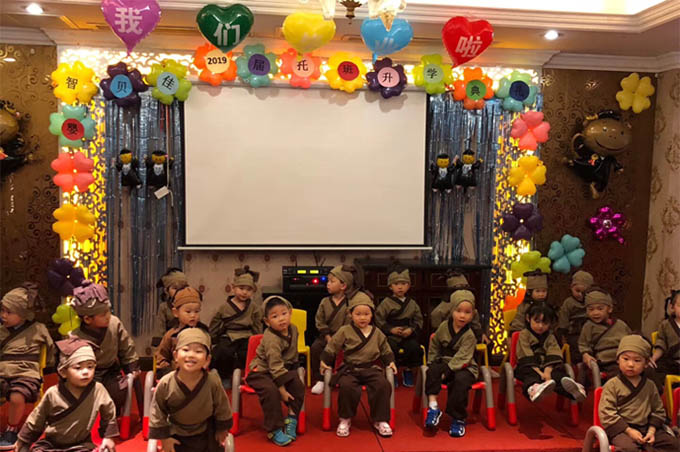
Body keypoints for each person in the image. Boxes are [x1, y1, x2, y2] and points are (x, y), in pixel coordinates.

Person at [15, 338, 118, 452]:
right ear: (63, 372)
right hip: (52, 444)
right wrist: (23, 440)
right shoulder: (53, 393)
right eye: (78, 368)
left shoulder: (98, 389)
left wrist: (108, 438)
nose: (85, 372)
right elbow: (37, 418)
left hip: (81, 445)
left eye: (90, 366)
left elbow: (109, 414)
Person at [321, 291, 396, 438]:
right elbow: (332, 347)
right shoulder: (344, 331)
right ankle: (345, 418)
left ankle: (380, 420)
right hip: (350, 369)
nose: (362, 317)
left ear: (372, 315)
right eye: (358, 314)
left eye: (366, 314)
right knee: (347, 386)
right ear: (350, 314)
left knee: (382, 385)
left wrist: (390, 362)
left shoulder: (377, 332)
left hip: (371, 369)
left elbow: (385, 349)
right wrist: (324, 361)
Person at [149, 328, 232, 452]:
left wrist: (222, 429)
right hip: (176, 434)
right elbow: (158, 411)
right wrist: (165, 438)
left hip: (206, 433)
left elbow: (222, 406)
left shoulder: (213, 382)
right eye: (186, 350)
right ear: (175, 356)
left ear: (207, 360)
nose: (191, 355)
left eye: (198, 351)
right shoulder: (166, 383)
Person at [599, 335, 679, 452]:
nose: (631, 364)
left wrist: (651, 431)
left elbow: (658, 410)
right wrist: (629, 431)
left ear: (646, 363)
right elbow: (607, 412)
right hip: (622, 430)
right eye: (625, 359)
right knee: (629, 448)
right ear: (618, 360)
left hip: (647, 428)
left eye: (637, 360)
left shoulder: (650, 385)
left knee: (674, 445)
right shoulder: (612, 385)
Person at [70, 280, 140, 414]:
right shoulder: (76, 335)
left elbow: (126, 346)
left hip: (110, 371)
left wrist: (131, 366)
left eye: (108, 311)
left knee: (119, 392)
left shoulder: (114, 324)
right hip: (87, 374)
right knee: (83, 394)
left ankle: (112, 414)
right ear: (88, 319)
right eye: (103, 315)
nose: (108, 316)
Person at [0, 283, 55, 449]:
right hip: (3, 370)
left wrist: (48, 365)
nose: (3, 315)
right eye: (2, 310)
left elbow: (49, 348)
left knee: (17, 396)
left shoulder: (38, 329)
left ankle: (11, 429)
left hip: (26, 372)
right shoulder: (1, 330)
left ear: (23, 314)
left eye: (9, 312)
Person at [246, 296, 305, 447]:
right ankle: (274, 429)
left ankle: (291, 418)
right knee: (271, 391)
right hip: (261, 371)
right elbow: (274, 365)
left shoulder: (293, 329)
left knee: (298, 385)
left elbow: (292, 355)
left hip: (281, 369)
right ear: (267, 321)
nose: (281, 319)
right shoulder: (271, 338)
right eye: (275, 316)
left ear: (290, 313)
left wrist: (293, 372)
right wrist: (282, 390)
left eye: (284, 313)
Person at [423, 290, 478, 437]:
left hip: (464, 366)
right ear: (452, 310)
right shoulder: (443, 327)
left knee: (460, 380)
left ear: (472, 314)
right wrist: (433, 361)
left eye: (467, 312)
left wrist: (446, 371)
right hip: (445, 362)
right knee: (432, 370)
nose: (462, 315)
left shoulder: (469, 335)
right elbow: (434, 344)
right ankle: (433, 407)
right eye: (458, 311)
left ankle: (458, 418)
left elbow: (463, 357)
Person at [514, 303, 586, 404]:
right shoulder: (524, 334)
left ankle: (573, 390)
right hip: (529, 366)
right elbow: (525, 353)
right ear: (528, 318)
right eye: (537, 321)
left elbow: (554, 352)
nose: (540, 326)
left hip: (546, 365)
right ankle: (533, 389)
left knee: (558, 375)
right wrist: (540, 373)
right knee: (530, 376)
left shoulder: (550, 337)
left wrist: (547, 371)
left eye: (545, 323)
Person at [209, 266, 263, 387]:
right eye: (241, 288)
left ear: (253, 291)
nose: (244, 292)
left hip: (247, 335)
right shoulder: (224, 307)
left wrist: (258, 339)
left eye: (249, 289)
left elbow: (257, 324)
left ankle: (246, 376)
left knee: (247, 353)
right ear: (233, 288)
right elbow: (215, 322)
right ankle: (225, 376)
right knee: (223, 351)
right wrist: (212, 337)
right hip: (229, 334)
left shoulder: (254, 307)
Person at [374, 266, 423, 387]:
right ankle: (392, 372)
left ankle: (408, 371)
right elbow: (379, 319)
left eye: (403, 284)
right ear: (390, 286)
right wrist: (390, 329)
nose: (400, 287)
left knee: (414, 347)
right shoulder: (386, 303)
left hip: (407, 334)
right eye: (396, 284)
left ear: (408, 286)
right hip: (391, 335)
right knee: (390, 348)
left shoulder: (412, 303)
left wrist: (411, 330)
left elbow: (418, 319)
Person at [310, 265, 352, 395]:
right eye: (328, 281)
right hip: (326, 336)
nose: (328, 284)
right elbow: (319, 320)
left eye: (332, 281)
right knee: (316, 348)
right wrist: (327, 336)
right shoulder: (324, 302)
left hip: (344, 336)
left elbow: (349, 323)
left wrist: (338, 338)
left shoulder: (350, 303)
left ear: (343, 285)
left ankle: (341, 377)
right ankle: (320, 379)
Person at [155, 286, 209, 379]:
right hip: (175, 375)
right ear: (176, 312)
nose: (193, 315)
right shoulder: (171, 335)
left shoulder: (204, 333)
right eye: (188, 312)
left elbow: (208, 354)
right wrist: (166, 369)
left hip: (198, 374)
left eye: (196, 311)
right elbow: (161, 355)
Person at [579, 287, 632, 377]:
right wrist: (586, 355)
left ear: (609, 309)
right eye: (591, 309)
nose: (595, 313)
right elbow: (583, 344)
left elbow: (632, 340)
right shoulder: (588, 326)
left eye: (600, 309)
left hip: (623, 358)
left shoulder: (621, 325)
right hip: (603, 360)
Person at [430, 271, 488, 343]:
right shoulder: (446, 306)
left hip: (466, 336)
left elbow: (475, 322)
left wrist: (480, 334)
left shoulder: (469, 304)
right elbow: (435, 316)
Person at [557, 270, 595, 364]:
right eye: (577, 291)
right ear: (571, 288)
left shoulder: (592, 301)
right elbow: (563, 319)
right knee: (575, 347)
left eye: (584, 292)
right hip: (574, 333)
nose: (580, 295)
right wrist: (563, 333)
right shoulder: (569, 303)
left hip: (591, 331)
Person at [649, 289, 680, 391]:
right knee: (651, 370)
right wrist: (653, 359)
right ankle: (663, 393)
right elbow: (661, 344)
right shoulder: (665, 325)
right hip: (671, 363)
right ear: (672, 307)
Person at [153, 268, 189, 346]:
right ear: (166, 290)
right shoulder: (164, 307)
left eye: (182, 288)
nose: (179, 291)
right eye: (175, 288)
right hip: (169, 345)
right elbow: (159, 331)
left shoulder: (189, 305)